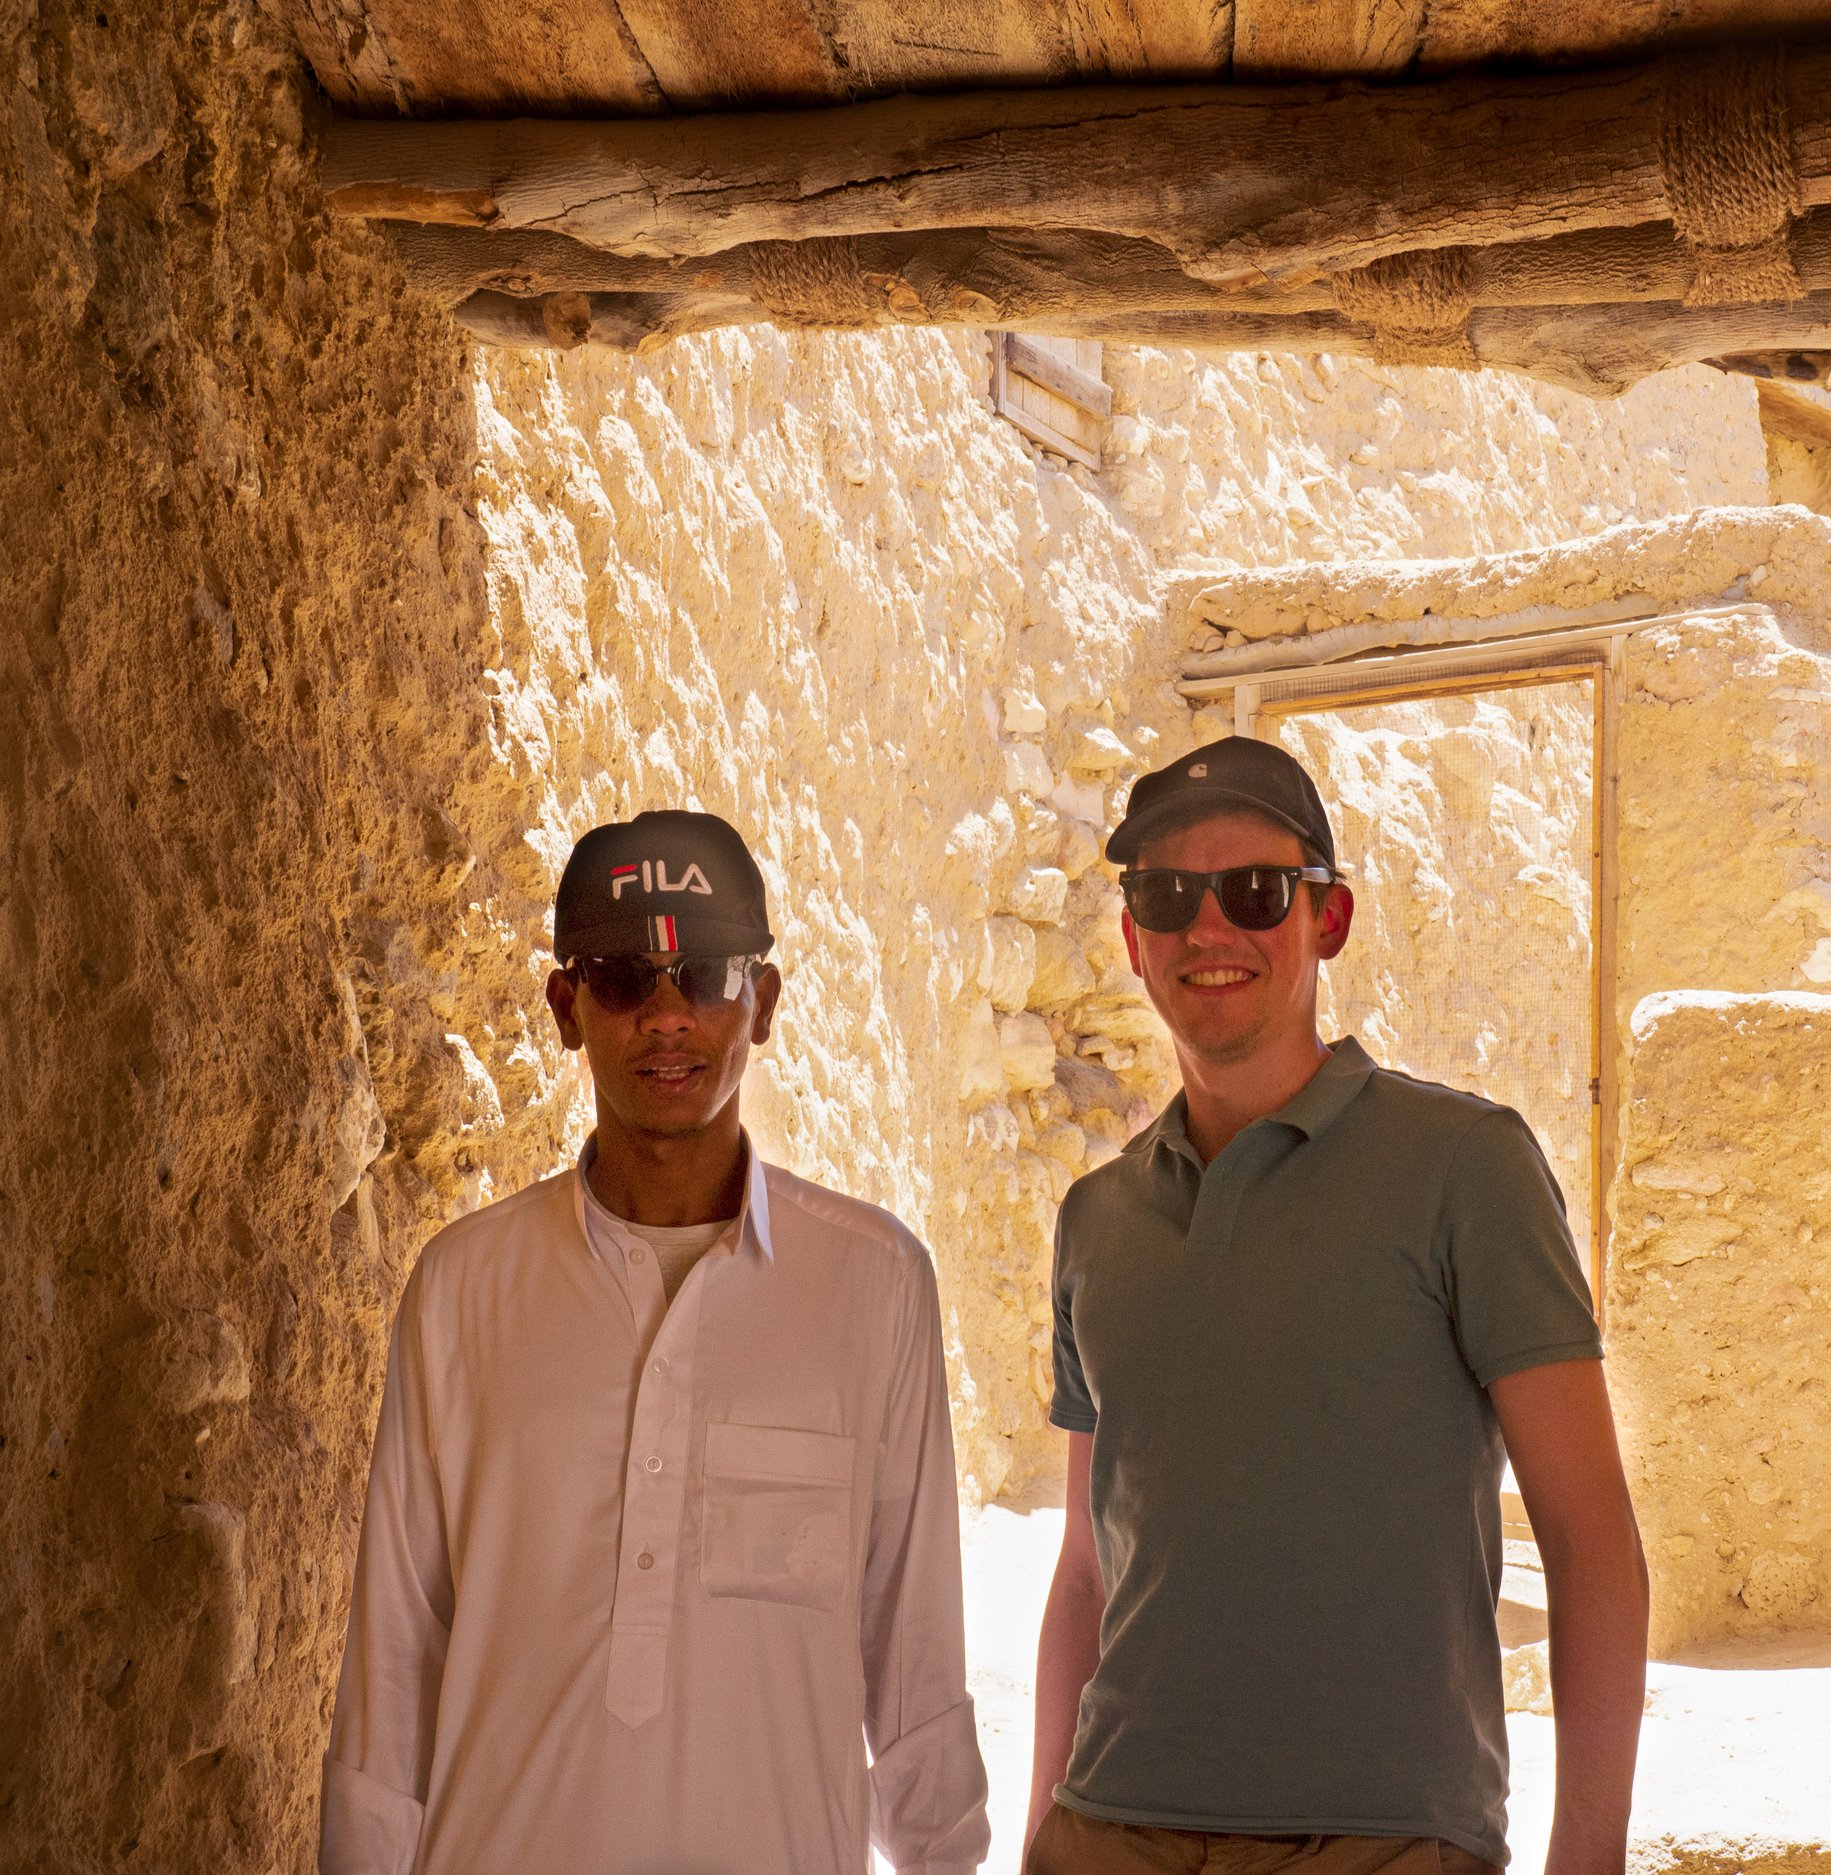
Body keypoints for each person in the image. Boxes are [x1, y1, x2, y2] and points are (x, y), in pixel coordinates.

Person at [321, 809, 987, 1875]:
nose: (666, 1018)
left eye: (708, 976)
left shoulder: (872, 1287)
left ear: (760, 1003)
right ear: (566, 1007)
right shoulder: (463, 1291)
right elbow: (394, 1661)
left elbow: (914, 1662)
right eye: (625, 978)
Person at [1027, 739, 1650, 1875]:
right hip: (1107, 1832)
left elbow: (1588, 1533)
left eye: (1256, 893)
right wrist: (1041, 1829)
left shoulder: (1466, 1166)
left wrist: (1588, 1857)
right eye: (1168, 896)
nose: (1209, 930)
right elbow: (1085, 1565)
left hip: (1383, 1843)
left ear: (1330, 919)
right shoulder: (1097, 1220)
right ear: (1130, 939)